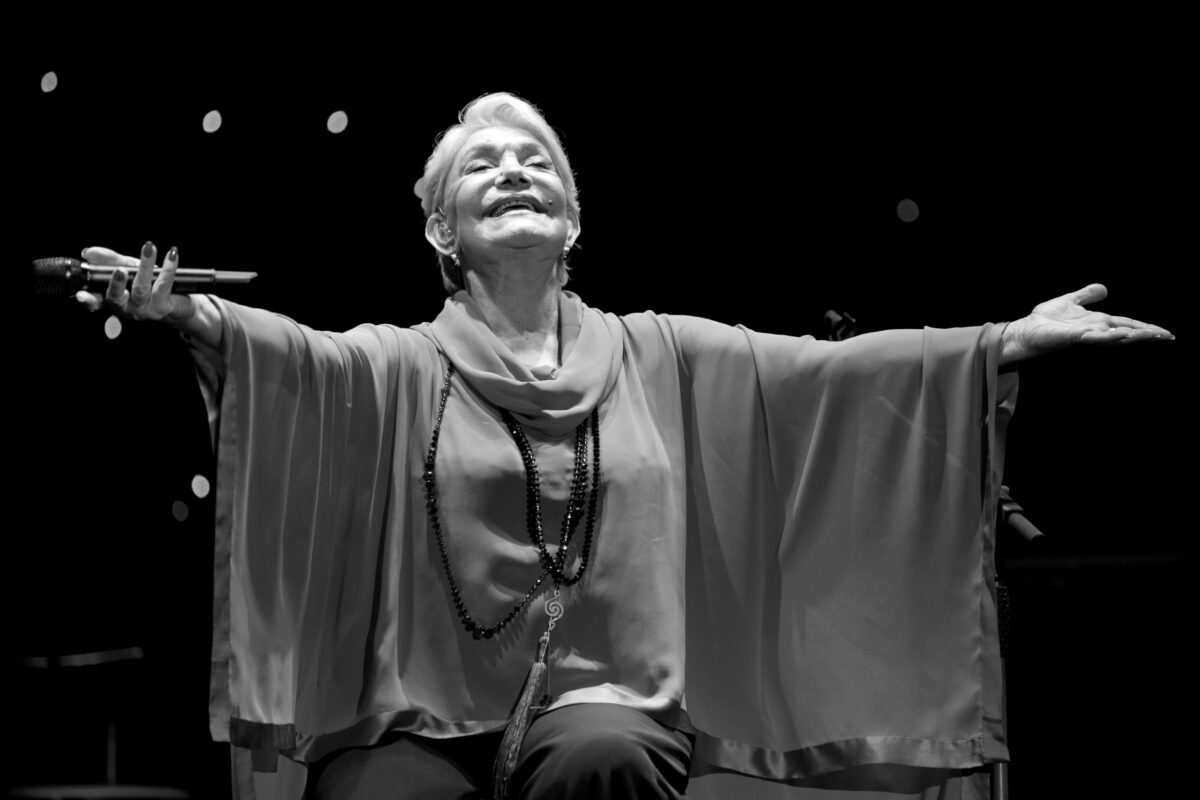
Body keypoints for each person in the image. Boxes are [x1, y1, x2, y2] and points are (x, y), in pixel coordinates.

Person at [77, 92, 1171, 800]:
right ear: (441, 230)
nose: (515, 170)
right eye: (483, 165)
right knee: (375, 792)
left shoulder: (663, 352)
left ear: (573, 220)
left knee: (598, 762)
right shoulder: (401, 362)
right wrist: (186, 314)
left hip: (607, 695)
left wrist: (1002, 340)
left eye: (536, 161)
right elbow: (295, 360)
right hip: (429, 701)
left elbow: (832, 377)